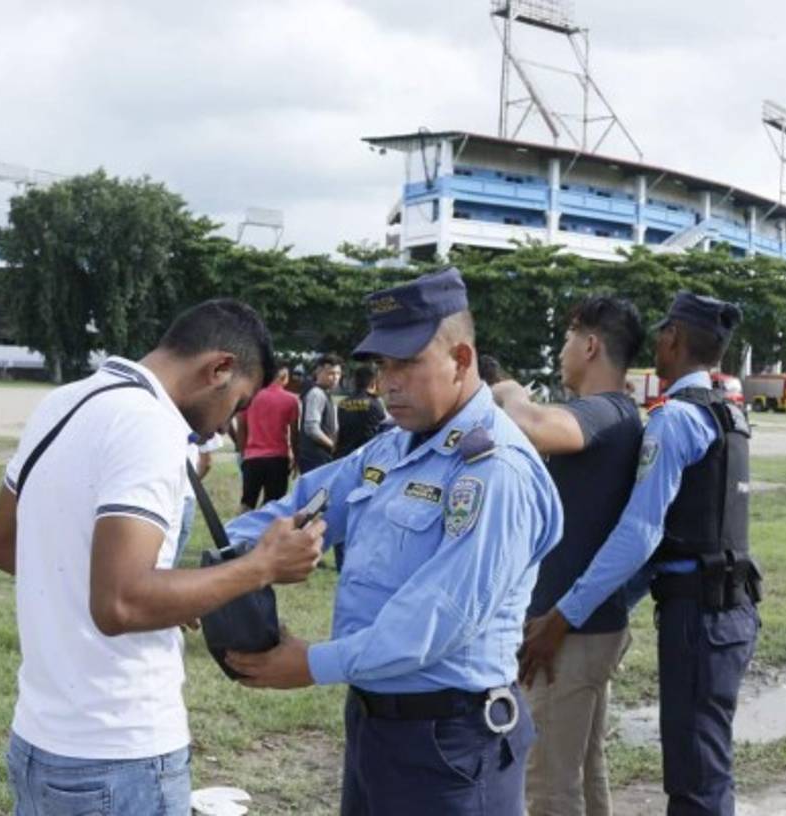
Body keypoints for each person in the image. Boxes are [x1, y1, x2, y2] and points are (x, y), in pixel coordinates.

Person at [222, 268, 563, 816]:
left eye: (407, 363)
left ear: (461, 360)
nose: (389, 382)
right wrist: (216, 568)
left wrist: (310, 663)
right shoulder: (391, 450)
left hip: (450, 743)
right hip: (378, 725)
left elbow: (434, 621)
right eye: (383, 365)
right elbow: (299, 507)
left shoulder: (493, 471)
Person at [0, 299, 326, 815]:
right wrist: (261, 566)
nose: (228, 428)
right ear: (219, 369)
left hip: (42, 744)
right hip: (117, 756)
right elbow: (119, 603)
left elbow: (2, 544)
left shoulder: (68, 400)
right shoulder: (152, 426)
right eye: (238, 405)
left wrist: (167, 594)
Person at [524, 291, 760, 815]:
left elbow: (642, 533)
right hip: (724, 607)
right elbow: (678, 534)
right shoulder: (726, 413)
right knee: (693, 767)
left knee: (695, 779)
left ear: (672, 338)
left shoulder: (674, 419)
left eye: (661, 333)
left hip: (699, 614)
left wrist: (565, 616)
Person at [492, 296, 645, 816]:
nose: (560, 352)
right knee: (583, 768)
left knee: (549, 784)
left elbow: (531, 423)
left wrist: (507, 387)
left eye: (565, 340)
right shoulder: (622, 413)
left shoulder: (602, 411)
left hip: (570, 633)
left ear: (590, 344)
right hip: (589, 624)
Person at [237, 361, 300, 511]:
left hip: (252, 457)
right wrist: (296, 457)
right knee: (275, 504)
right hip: (278, 458)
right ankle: (267, 531)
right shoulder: (291, 400)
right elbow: (294, 433)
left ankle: (238, 532)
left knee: (247, 501)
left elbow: (241, 427)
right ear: (283, 377)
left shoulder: (250, 396)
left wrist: (242, 452)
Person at [296, 355, 341, 475]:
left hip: (322, 457)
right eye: (330, 373)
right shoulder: (316, 393)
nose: (335, 377)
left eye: (338, 374)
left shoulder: (326, 394)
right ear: (318, 372)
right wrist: (333, 446)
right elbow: (311, 429)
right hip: (314, 458)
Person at [335, 365, 388, 459]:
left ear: (355, 382)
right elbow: (385, 429)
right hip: (367, 456)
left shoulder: (342, 403)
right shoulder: (375, 403)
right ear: (373, 382)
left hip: (344, 456)